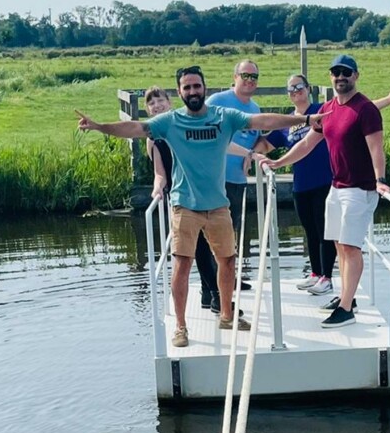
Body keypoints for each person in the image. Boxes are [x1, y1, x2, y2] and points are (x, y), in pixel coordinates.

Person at [78, 66, 323, 348]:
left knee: (228, 261)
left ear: (204, 88)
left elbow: (261, 120)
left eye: (196, 86)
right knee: (182, 265)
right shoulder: (170, 121)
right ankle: (181, 327)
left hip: (218, 204)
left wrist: (304, 118)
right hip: (185, 205)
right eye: (187, 87)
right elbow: (134, 128)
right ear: (180, 92)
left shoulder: (224, 117)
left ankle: (227, 315)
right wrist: (98, 126)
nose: (193, 91)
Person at [261, 54, 390, 329]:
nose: (340, 77)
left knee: (350, 247)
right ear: (330, 77)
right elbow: (307, 144)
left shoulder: (365, 109)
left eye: (346, 72)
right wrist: (279, 162)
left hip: (360, 188)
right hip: (337, 186)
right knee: (338, 245)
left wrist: (380, 179)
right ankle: (348, 297)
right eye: (336, 73)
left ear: (356, 75)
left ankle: (346, 309)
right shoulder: (329, 110)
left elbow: (376, 148)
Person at [144, 86, 250, 316]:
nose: (157, 105)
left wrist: (248, 153)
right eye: (151, 103)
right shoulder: (154, 137)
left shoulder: (181, 125)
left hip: (205, 192)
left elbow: (221, 144)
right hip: (181, 197)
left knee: (212, 249)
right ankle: (215, 296)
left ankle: (208, 293)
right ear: (147, 110)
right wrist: (157, 189)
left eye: (160, 100)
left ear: (170, 102)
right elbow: (159, 171)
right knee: (198, 250)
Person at [205, 60, 265, 265]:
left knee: (232, 232)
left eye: (254, 77)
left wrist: (252, 155)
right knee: (212, 233)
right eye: (245, 75)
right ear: (235, 77)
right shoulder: (217, 101)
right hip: (214, 179)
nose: (249, 80)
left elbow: (257, 140)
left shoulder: (255, 109)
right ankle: (213, 284)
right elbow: (207, 135)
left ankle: (231, 276)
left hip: (238, 180)